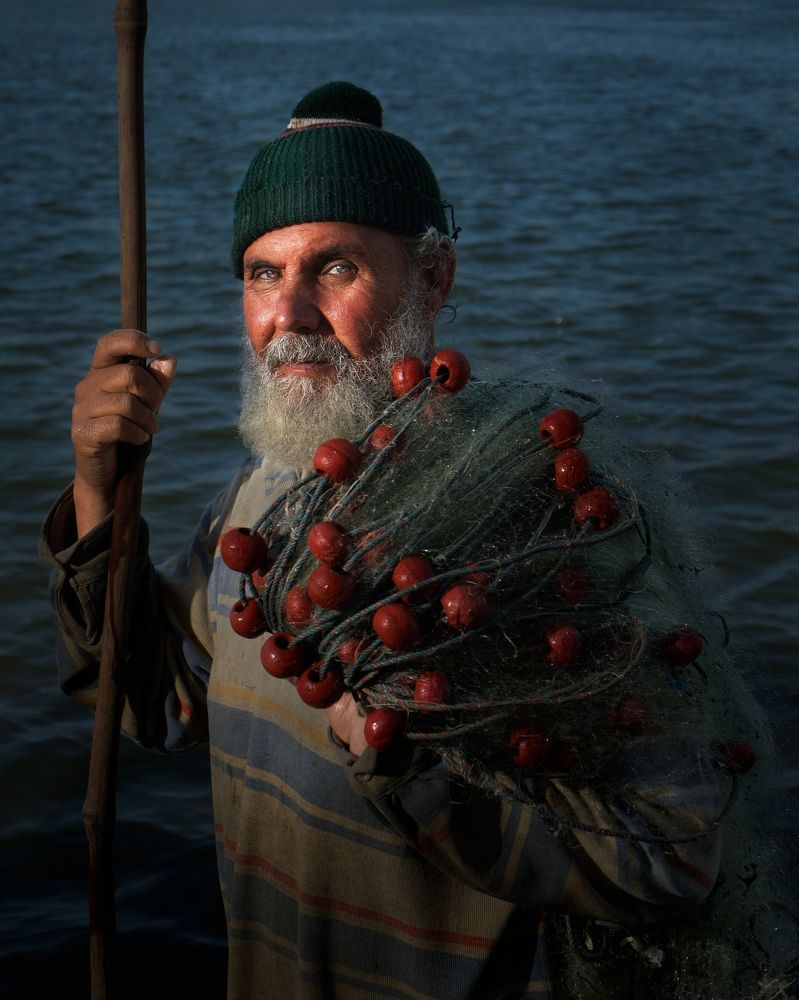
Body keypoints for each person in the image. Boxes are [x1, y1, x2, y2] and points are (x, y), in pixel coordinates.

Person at [42, 82, 742, 1000]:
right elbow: (145, 701)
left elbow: (669, 857)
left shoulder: (545, 528)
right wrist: (97, 487)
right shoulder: (258, 509)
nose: (287, 315)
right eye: (262, 272)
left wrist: (403, 761)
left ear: (435, 278)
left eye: (334, 268)